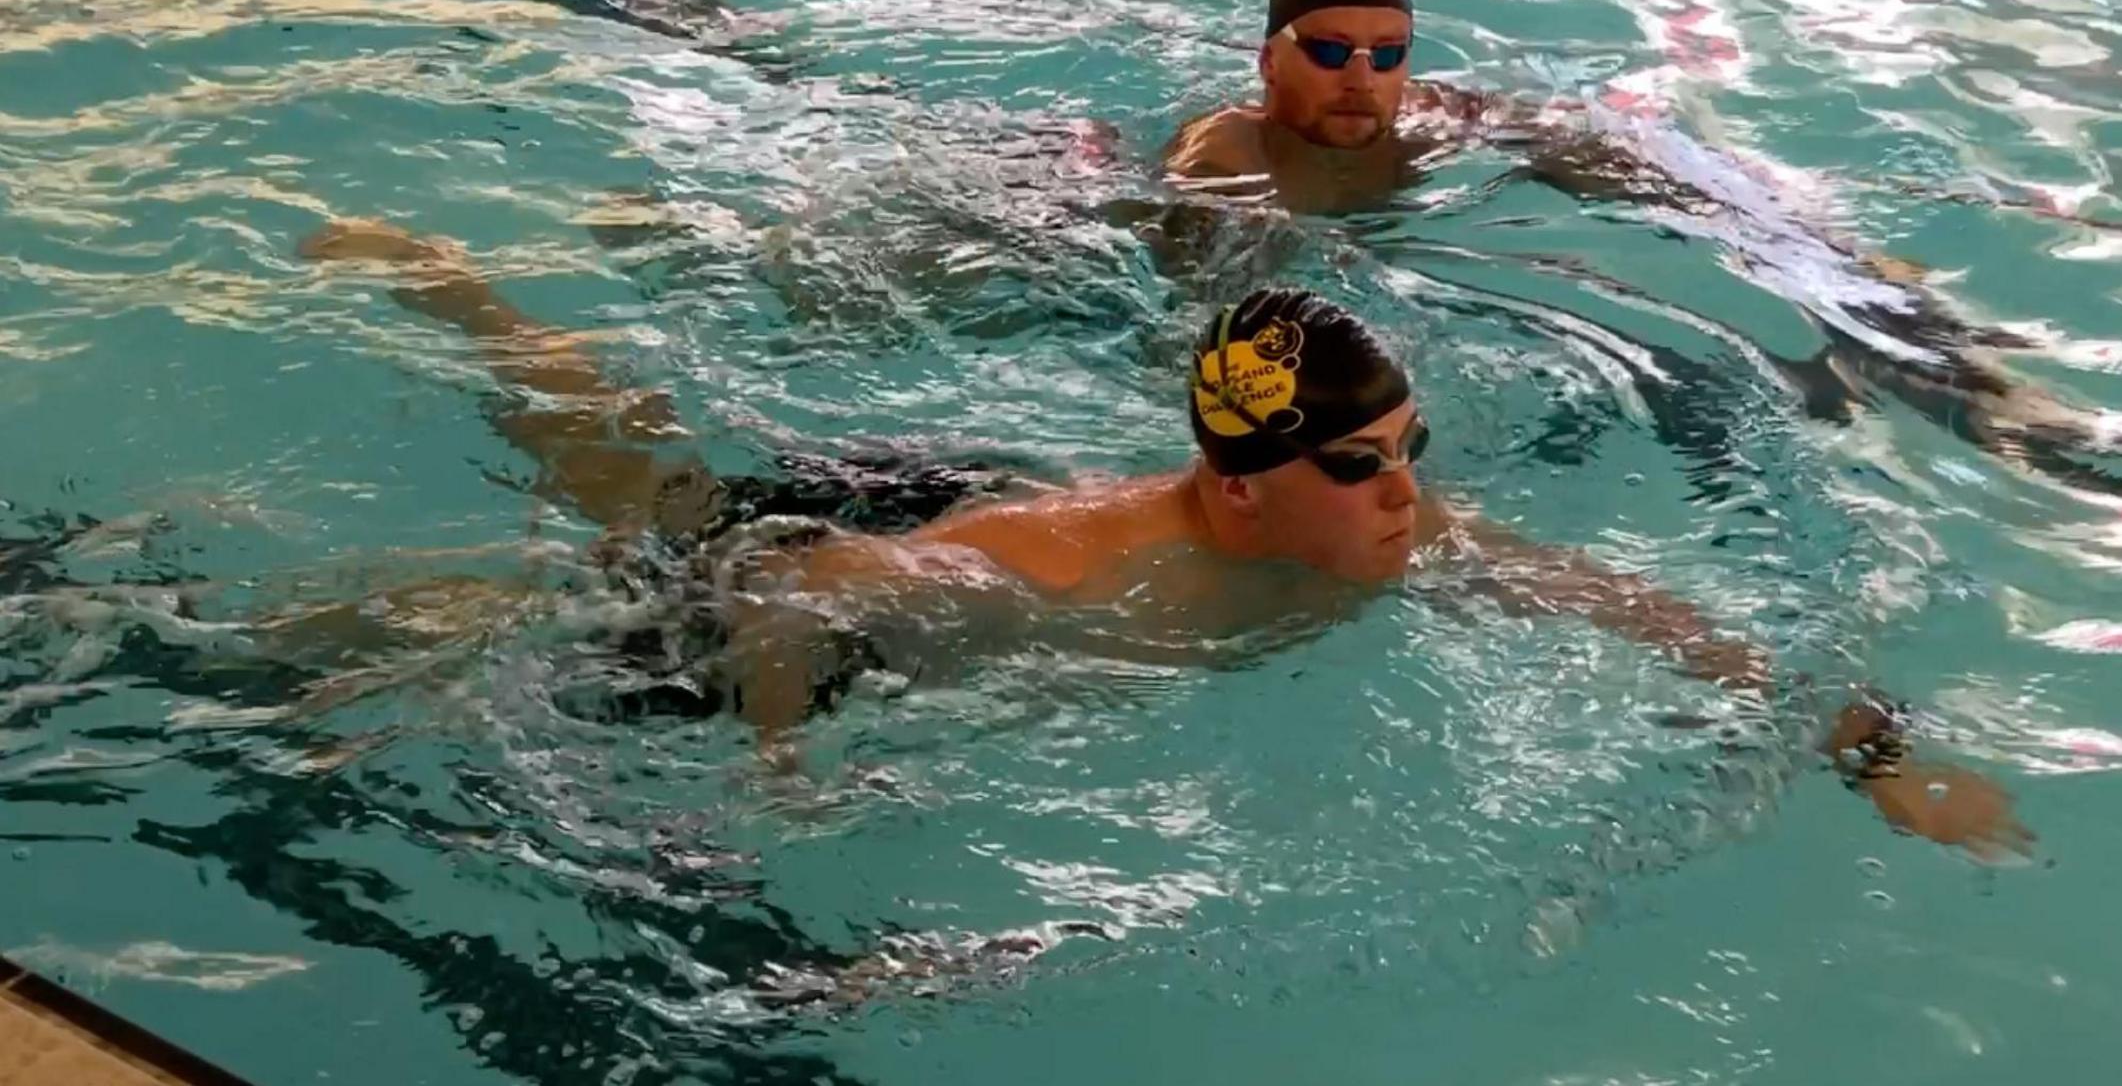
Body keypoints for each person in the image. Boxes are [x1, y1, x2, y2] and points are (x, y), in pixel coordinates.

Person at [299, 217, 2034, 860]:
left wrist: (1879, 760)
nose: (1410, 494)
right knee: (591, 574)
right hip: (849, 595)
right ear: (1237, 487)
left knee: (661, 493)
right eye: (1362, 467)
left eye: (1411, 453)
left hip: (934, 509)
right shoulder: (1089, 573)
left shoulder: (1397, 535)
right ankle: (460, 300)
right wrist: (774, 775)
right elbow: (790, 593)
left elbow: (1666, 622)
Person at [1162, 0, 2122, 651]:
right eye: (1330, 52)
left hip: (1476, 288)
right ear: (1269, 53)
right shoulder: (1227, 160)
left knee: (1903, 350)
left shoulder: (1441, 123)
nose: (1363, 83)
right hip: (1377, 351)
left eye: (1386, 53)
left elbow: (1647, 168)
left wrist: (1836, 262)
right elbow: (1219, 326)